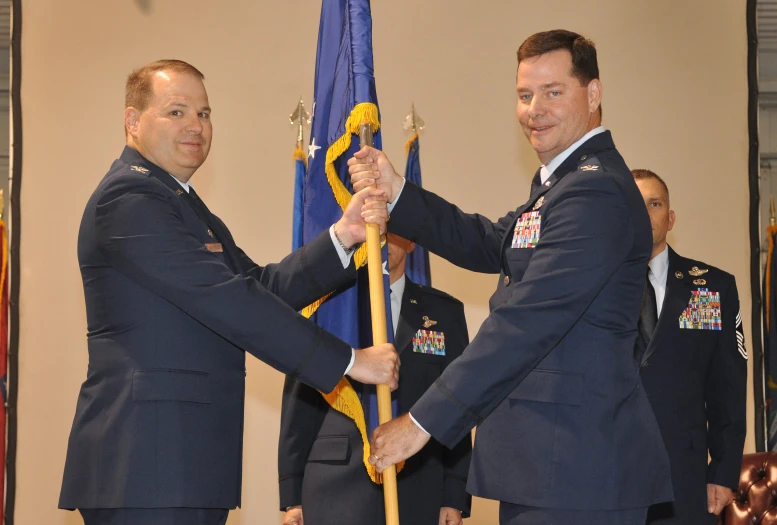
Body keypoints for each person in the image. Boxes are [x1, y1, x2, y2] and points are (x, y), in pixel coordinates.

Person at [349, 30, 673, 525]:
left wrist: (421, 423)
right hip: (545, 464)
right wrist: (398, 193)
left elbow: (525, 321)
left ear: (594, 94)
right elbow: (488, 241)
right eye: (524, 95)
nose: (534, 109)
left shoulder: (595, 193)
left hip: (577, 468)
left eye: (553, 92)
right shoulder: (562, 186)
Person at [58, 59, 399, 525]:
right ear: (133, 121)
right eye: (177, 112)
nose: (196, 126)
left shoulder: (183, 203)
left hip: (184, 464)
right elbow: (227, 298)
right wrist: (349, 362)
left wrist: (344, 234)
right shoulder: (128, 199)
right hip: (144, 465)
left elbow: (258, 287)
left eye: (204, 113)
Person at [278, 233, 472, 525]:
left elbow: (457, 404)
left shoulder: (444, 313)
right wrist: (292, 495)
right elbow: (300, 400)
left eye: (391, 230)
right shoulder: (332, 309)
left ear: (411, 242)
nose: (381, 238)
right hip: (335, 484)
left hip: (419, 480)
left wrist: (454, 495)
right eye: (374, 229)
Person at [633, 169, 747, 524]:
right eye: (634, 205)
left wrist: (724, 471)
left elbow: (728, 388)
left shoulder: (712, 288)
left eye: (654, 204)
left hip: (686, 478)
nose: (645, 213)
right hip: (607, 475)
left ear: (670, 218)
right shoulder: (591, 287)